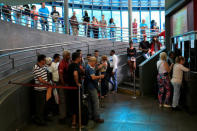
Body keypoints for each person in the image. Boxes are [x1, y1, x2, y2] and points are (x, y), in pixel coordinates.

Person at [33, 54, 51, 125]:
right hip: (39, 90)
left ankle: (44, 117)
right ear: (41, 60)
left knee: (45, 105)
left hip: (45, 88)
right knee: (40, 106)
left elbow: (47, 74)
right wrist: (48, 83)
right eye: (44, 60)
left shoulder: (44, 66)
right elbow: (40, 79)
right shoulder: (36, 67)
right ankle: (40, 120)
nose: (45, 61)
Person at [85, 56, 105, 123]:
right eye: (95, 62)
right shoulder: (90, 68)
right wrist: (100, 76)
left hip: (89, 86)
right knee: (96, 102)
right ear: (92, 62)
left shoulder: (88, 67)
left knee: (90, 102)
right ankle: (97, 117)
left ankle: (90, 116)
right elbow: (93, 77)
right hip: (92, 87)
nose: (95, 64)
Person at [67, 52, 82, 128]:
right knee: (76, 105)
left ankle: (74, 122)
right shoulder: (75, 65)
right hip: (75, 89)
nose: (81, 58)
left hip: (71, 88)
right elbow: (75, 74)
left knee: (73, 104)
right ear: (77, 58)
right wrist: (77, 83)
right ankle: (76, 122)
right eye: (80, 57)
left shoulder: (70, 65)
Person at [58, 51, 71, 124]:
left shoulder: (68, 62)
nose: (69, 57)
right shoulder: (62, 64)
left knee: (67, 100)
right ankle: (62, 117)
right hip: (63, 85)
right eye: (68, 55)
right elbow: (60, 74)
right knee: (62, 101)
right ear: (65, 56)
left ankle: (66, 114)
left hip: (67, 84)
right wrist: (63, 83)